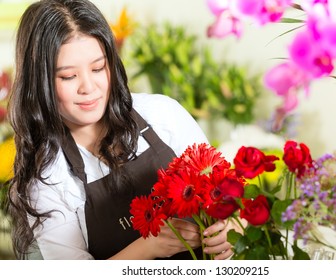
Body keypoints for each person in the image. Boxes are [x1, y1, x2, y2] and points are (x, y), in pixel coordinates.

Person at [6, 0, 237, 260]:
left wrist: (231, 228)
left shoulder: (162, 114)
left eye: (98, 68)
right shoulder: (48, 178)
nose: (89, 87)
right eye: (69, 76)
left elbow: (230, 195)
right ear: (40, 82)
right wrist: (149, 247)